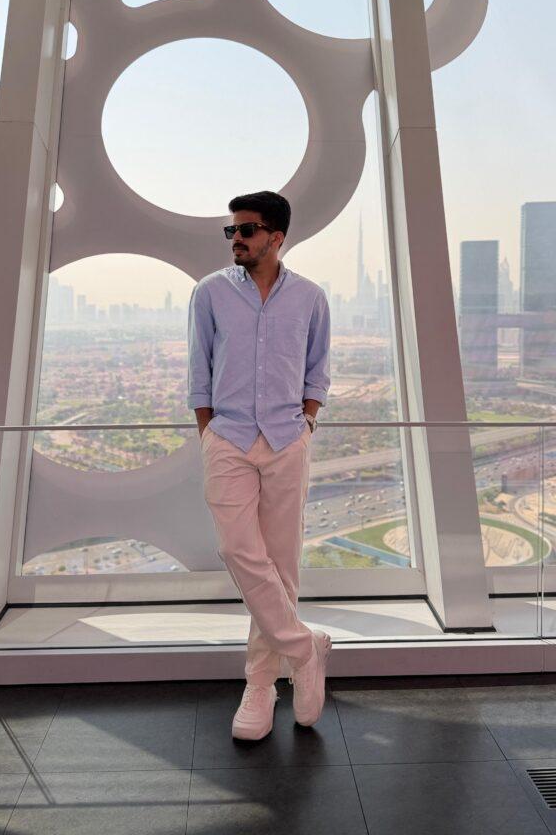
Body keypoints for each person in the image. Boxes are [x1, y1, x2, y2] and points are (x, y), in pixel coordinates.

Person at [187, 190, 332, 741]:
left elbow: (317, 369)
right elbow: (199, 369)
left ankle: (261, 683)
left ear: (276, 237)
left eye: (246, 230)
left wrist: (308, 422)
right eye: (232, 231)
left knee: (281, 564)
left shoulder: (311, 297)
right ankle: (305, 648)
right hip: (227, 437)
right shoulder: (210, 293)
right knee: (237, 550)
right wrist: (207, 433)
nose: (236, 239)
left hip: (287, 439)